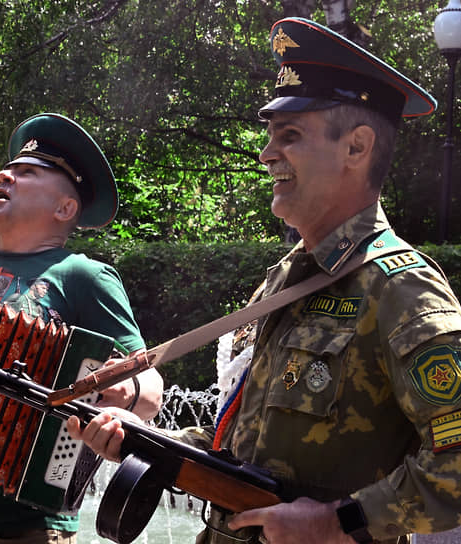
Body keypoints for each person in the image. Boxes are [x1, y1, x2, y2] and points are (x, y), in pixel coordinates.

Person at [68, 17, 461, 544]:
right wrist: (143, 442)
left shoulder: (400, 290)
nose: (266, 153)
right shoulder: (286, 279)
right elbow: (237, 443)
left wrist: (341, 522)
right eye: (271, 135)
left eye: (290, 135)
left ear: (357, 147)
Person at [0, 112, 164, 544]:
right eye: (8, 169)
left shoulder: (82, 276)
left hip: (26, 525)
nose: (5, 174)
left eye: (26, 172)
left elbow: (150, 385)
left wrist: (120, 399)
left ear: (65, 208)